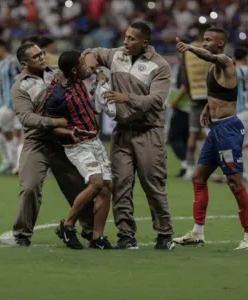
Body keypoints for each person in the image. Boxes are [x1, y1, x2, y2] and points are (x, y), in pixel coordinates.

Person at [83, 21, 175, 250]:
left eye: (132, 39)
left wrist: (127, 98)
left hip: (149, 132)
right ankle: (126, 235)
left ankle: (164, 234)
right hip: (122, 131)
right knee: (121, 185)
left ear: (145, 42)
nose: (125, 42)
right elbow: (89, 52)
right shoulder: (116, 55)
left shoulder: (160, 66)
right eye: (125, 37)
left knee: (152, 185)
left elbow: (156, 100)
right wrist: (90, 57)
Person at [173, 27, 248, 250]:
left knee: (234, 183)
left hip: (228, 130)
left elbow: (209, 55)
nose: (204, 42)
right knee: (199, 177)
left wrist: (190, 48)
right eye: (203, 39)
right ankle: (198, 232)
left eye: (209, 40)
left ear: (220, 43)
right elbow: (218, 95)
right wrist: (207, 109)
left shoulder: (225, 61)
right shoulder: (212, 67)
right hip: (215, 129)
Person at [10, 42, 95, 247]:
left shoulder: (60, 72)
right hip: (37, 142)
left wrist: (92, 58)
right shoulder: (20, 86)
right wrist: (52, 122)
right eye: (36, 56)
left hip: (64, 141)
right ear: (24, 63)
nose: (42, 57)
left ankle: (91, 230)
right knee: (29, 187)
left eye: (42, 53)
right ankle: (22, 233)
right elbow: (26, 117)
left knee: (77, 186)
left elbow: (83, 72)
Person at [45, 50, 113, 250]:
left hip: (95, 140)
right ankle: (67, 226)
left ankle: (97, 237)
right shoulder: (57, 95)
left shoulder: (78, 81)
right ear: (74, 69)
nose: (87, 67)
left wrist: (95, 63)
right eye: (83, 64)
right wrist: (71, 133)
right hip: (77, 144)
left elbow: (90, 67)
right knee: (97, 182)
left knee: (107, 186)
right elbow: (53, 125)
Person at [213, 47, 248, 185]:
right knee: (243, 144)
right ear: (246, 58)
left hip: (238, 113)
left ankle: (233, 175)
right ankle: (246, 176)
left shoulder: (231, 72)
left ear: (234, 58)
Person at [180, 25, 211, 180]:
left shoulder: (188, 51)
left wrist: (190, 92)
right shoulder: (208, 50)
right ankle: (214, 167)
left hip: (194, 95)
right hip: (210, 97)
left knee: (193, 134)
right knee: (215, 133)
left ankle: (190, 168)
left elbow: (185, 76)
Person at [0, 39, 21, 174]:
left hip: (10, 104)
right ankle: (14, 164)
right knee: (8, 134)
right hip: (3, 102)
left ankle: (7, 160)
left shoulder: (12, 62)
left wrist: (16, 101)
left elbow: (19, 81)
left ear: (2, 48)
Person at [11, 36, 41, 176]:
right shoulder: (23, 77)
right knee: (22, 135)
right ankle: (19, 164)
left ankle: (19, 165)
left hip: (30, 108)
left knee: (24, 136)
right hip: (26, 106)